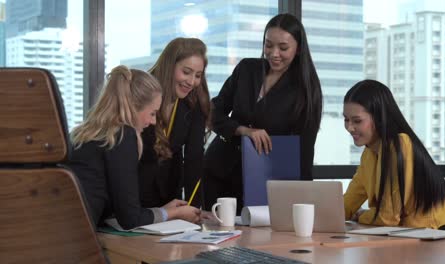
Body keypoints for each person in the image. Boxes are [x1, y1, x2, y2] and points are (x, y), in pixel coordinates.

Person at [203, 13, 323, 213]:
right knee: (216, 238)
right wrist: (243, 130)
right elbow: (214, 113)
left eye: (283, 48)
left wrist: (304, 201)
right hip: (219, 170)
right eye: (268, 45)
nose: (274, 53)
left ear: (298, 48)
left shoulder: (305, 90)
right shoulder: (246, 69)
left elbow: (304, 151)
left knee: (256, 239)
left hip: (263, 179)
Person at [68, 65, 201, 229]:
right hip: (76, 238)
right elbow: (131, 219)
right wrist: (175, 214)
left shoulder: (83, 133)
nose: (153, 122)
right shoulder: (123, 135)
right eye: (152, 113)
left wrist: (162, 210)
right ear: (133, 107)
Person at [343, 79, 445, 229]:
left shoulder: (399, 145)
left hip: (433, 238)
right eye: (346, 119)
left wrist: (361, 215)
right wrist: (324, 213)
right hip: (406, 237)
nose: (349, 127)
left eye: (357, 121)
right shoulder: (369, 154)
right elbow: (348, 203)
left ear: (379, 117)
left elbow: (386, 217)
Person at [139, 38, 211, 209]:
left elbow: (194, 158)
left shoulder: (195, 102)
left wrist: (193, 208)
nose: (192, 82)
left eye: (198, 75)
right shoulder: (142, 93)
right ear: (169, 66)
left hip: (170, 196)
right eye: (186, 72)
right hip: (135, 193)